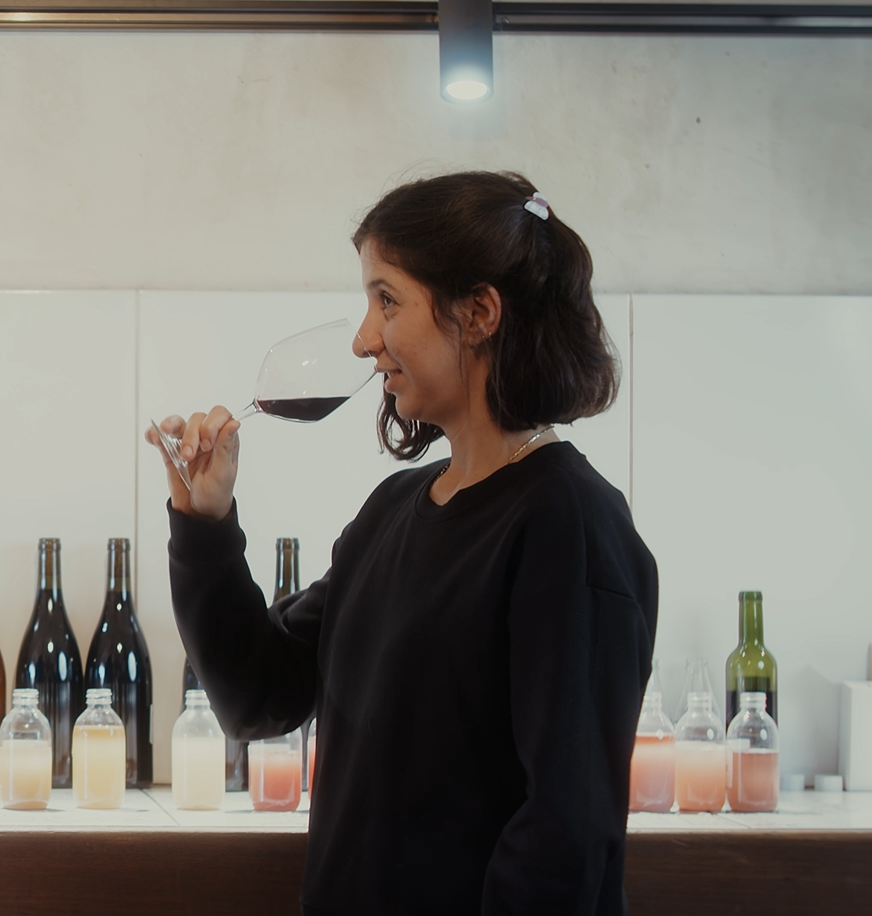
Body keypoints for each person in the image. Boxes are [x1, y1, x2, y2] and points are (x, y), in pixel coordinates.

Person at [152, 172, 658, 914]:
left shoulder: (569, 526)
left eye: (386, 300)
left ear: (479, 311)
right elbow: (260, 696)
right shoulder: (395, 511)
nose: (363, 340)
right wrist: (205, 526)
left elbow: (565, 837)